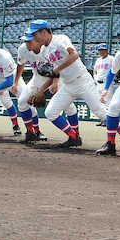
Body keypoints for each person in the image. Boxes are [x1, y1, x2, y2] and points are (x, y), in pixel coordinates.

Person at [31, 19, 107, 149]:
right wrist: (41, 90)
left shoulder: (60, 39)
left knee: (101, 113)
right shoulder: (44, 50)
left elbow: (74, 55)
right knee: (50, 112)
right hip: (67, 85)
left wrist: (56, 70)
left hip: (82, 80)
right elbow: (54, 72)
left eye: (35, 34)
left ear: (44, 32)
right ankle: (73, 138)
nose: (34, 37)